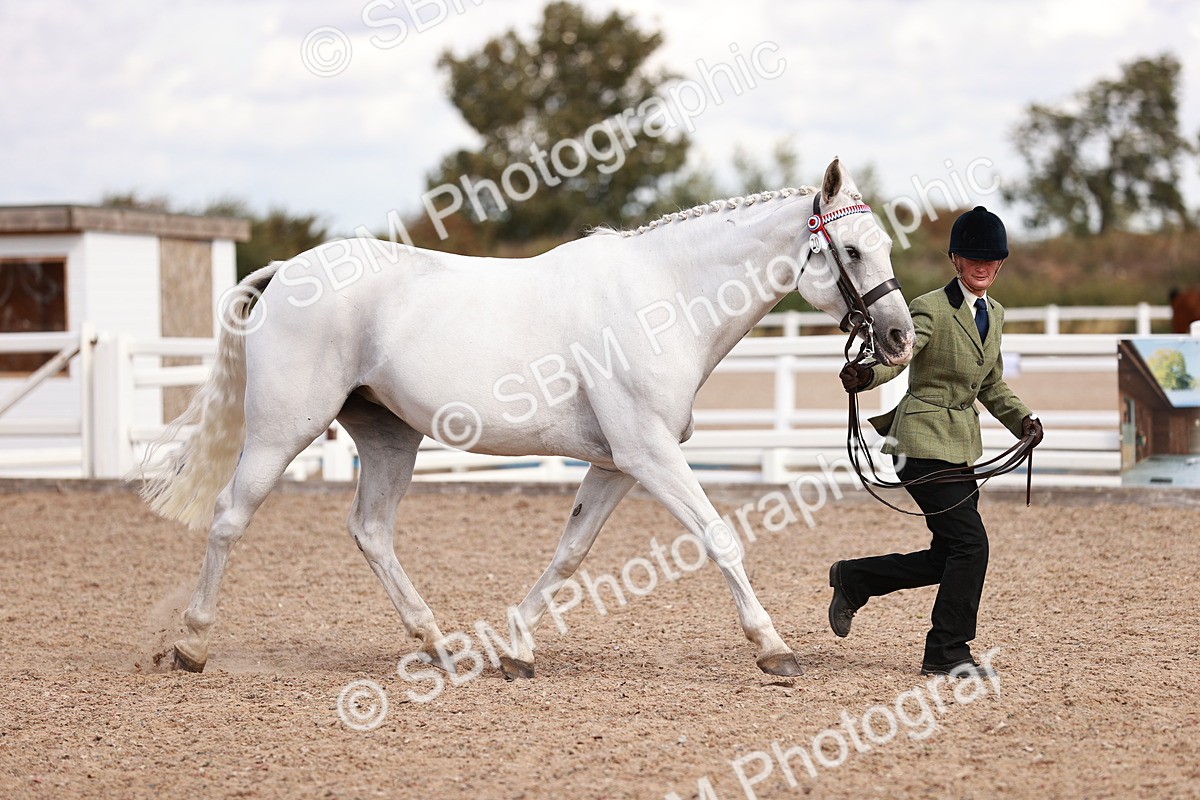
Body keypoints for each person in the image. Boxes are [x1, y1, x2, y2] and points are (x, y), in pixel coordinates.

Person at [829, 205, 1043, 679]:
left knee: (949, 554)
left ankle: (855, 578)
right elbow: (899, 355)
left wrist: (1022, 419)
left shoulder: (997, 314)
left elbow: (990, 384)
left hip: (960, 447)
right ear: (955, 259)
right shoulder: (929, 307)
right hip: (920, 442)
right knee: (972, 545)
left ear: (1001, 263)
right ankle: (947, 651)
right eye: (973, 257)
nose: (983, 266)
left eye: (992, 259)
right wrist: (866, 374)